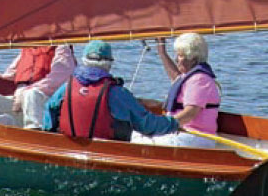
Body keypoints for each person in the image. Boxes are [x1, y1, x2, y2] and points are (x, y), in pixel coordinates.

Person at [43, 40, 180, 142]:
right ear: (109, 64)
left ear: (84, 60)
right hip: (109, 152)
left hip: (70, 149)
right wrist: (174, 124)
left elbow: (49, 113)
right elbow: (147, 125)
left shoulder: (66, 88)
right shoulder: (117, 93)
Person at [142, 32, 220, 148]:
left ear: (193, 59)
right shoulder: (189, 77)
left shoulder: (199, 79)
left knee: (134, 137)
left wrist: (164, 124)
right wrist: (161, 51)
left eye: (180, 56)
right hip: (184, 134)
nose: (176, 59)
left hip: (195, 137)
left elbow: (190, 113)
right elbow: (176, 78)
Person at [0, 44, 76, 129]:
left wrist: (26, 91)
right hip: (20, 101)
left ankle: (35, 133)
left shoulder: (61, 48)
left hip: (45, 103)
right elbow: (11, 76)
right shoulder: (27, 49)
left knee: (31, 94)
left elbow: (59, 77)